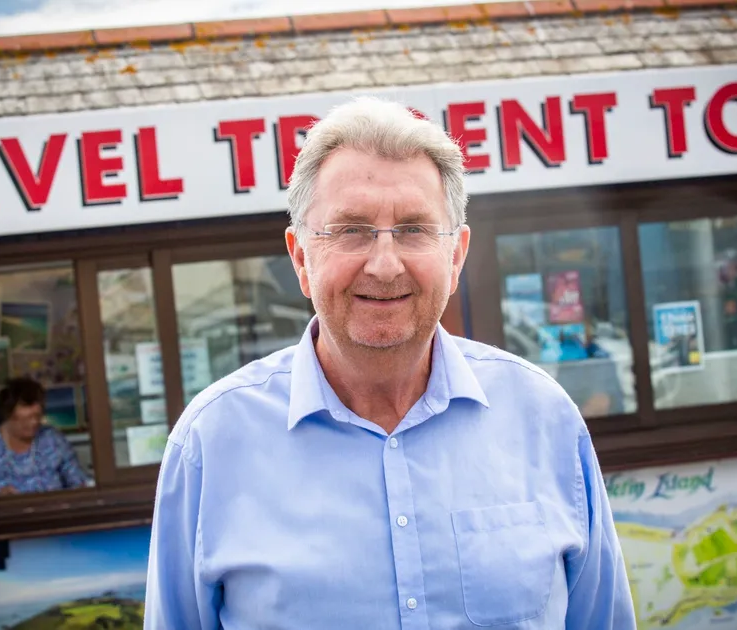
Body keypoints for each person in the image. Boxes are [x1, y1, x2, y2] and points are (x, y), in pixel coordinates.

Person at [144, 96, 635, 629]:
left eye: (414, 229)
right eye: (350, 229)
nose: (383, 265)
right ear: (301, 256)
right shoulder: (210, 443)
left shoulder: (543, 418)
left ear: (456, 254)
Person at [0, 376, 90, 496]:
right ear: (8, 415)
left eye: (37, 416)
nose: (34, 422)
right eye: (26, 419)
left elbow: (79, 484)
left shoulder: (53, 440)